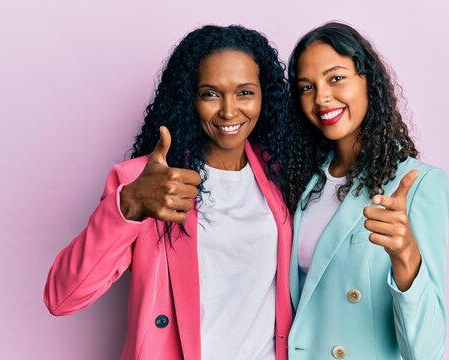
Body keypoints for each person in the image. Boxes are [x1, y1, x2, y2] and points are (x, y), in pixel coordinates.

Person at [44, 25, 309, 360]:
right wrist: (130, 205)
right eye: (210, 94)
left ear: (265, 96)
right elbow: (62, 297)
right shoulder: (148, 183)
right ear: (189, 99)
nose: (229, 111)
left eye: (244, 93)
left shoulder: (281, 176)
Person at [286, 22, 449, 359]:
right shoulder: (302, 181)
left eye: (336, 78)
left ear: (367, 80)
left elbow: (427, 351)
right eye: (306, 87)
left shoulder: (418, 184)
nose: (321, 98)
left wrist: (405, 254)